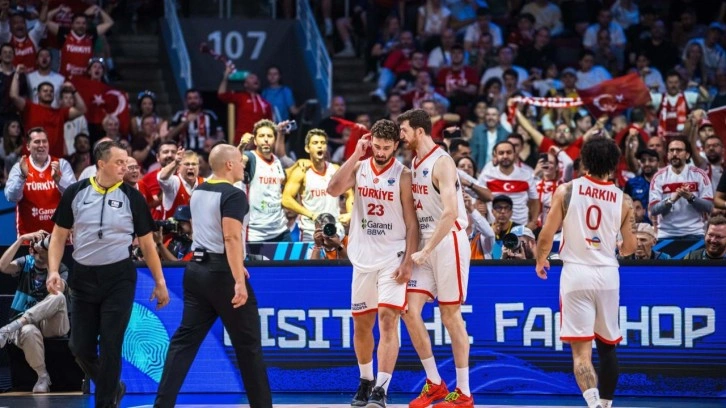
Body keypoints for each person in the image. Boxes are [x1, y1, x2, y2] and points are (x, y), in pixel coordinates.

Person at [46, 140, 170, 408]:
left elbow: (147, 244)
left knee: (111, 344)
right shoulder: (76, 192)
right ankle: (113, 385)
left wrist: (160, 281)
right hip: (83, 277)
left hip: (119, 278)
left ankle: (106, 403)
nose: (125, 167)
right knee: (79, 347)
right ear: (101, 164)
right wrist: (53, 270)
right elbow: (58, 235)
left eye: (126, 162)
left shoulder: (132, 197)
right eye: (119, 162)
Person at [154, 144, 272, 408]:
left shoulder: (199, 190)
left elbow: (208, 231)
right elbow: (230, 238)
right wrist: (238, 280)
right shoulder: (234, 195)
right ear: (229, 165)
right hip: (222, 274)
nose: (243, 165)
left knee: (184, 342)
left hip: (196, 271)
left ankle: (161, 405)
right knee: (248, 346)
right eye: (240, 161)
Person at [536, 137, 636, 408]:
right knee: (607, 347)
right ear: (613, 165)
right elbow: (630, 247)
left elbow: (546, 234)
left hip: (576, 274)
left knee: (581, 353)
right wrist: (617, 246)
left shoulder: (567, 191)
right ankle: (606, 404)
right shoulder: (624, 200)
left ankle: (593, 404)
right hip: (608, 275)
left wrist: (541, 260)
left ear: (584, 161)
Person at [327, 119, 418, 406]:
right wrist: (356, 153)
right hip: (363, 257)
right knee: (362, 326)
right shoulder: (359, 167)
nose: (380, 151)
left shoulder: (403, 175)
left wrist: (408, 261)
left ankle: (382, 388)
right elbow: (333, 189)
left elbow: (412, 224)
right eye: (377, 146)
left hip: (393, 257)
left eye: (386, 147)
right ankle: (365, 380)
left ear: (396, 146)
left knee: (388, 320)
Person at [397, 109, 474, 407]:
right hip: (425, 246)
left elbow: (451, 212)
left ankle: (464, 392)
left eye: (404, 130)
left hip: (448, 242)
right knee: (408, 310)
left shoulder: (442, 162)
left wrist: (427, 249)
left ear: (419, 131)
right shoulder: (415, 163)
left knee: (450, 315)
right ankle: (435, 383)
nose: (401, 136)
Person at [0, 229, 69, 393]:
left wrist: (51, 261)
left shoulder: (60, 269)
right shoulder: (26, 263)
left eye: (45, 245)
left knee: (59, 296)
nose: (39, 248)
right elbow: (2, 266)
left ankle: (13, 326)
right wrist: (21, 239)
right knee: (28, 330)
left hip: (51, 325)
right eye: (36, 246)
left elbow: (56, 288)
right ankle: (43, 376)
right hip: (26, 327)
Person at [282, 128, 352, 241]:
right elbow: (286, 199)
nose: (320, 146)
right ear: (307, 148)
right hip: (310, 230)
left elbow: (349, 194)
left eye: (322, 143)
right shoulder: (301, 172)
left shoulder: (335, 169)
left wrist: (350, 213)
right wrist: (311, 215)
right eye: (315, 143)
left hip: (335, 229)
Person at [4, 128, 75, 236]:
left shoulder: (61, 164)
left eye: (44, 141)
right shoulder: (19, 167)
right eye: (37, 142)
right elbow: (11, 197)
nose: (41, 145)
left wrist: (58, 179)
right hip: (29, 237)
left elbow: (74, 196)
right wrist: (22, 177)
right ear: (28, 146)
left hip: (60, 237)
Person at [649, 138, 713, 241]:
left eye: (678, 150)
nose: (674, 154)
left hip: (694, 232)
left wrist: (691, 198)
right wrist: (671, 200)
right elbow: (653, 210)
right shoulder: (658, 176)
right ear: (667, 154)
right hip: (666, 234)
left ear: (687, 155)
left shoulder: (700, 175)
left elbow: (709, 207)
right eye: (671, 150)